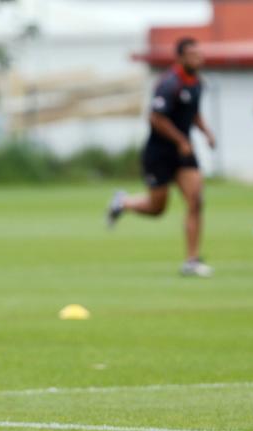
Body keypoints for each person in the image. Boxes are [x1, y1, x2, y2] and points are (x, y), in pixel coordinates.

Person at [107, 37, 216, 277]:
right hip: (160, 153)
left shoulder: (198, 83)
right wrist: (180, 140)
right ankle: (123, 202)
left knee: (196, 200)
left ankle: (191, 261)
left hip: (184, 153)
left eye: (200, 54)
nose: (199, 59)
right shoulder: (169, 84)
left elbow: (193, 113)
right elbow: (155, 118)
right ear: (180, 58)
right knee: (157, 209)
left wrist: (207, 133)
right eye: (193, 55)